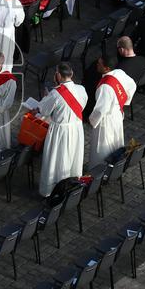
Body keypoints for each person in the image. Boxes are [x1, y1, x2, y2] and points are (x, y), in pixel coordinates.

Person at [35, 64, 87, 197]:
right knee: (72, 156)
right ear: (72, 73)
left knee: (57, 158)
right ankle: (72, 183)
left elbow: (43, 110)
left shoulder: (55, 93)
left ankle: (52, 189)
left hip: (60, 131)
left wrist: (47, 98)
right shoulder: (81, 89)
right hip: (76, 128)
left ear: (58, 75)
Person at [89, 58, 136, 165]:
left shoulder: (105, 87)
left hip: (106, 119)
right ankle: (115, 164)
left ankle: (100, 167)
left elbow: (101, 109)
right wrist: (124, 102)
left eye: (99, 64)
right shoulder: (119, 73)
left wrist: (92, 120)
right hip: (117, 114)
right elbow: (132, 84)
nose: (97, 64)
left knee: (102, 144)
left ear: (106, 68)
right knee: (115, 141)